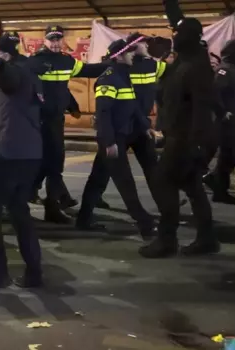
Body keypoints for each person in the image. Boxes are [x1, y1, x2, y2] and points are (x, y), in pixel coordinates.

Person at [139, 15, 217, 258]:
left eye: (178, 34)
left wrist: (196, 145)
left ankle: (167, 240)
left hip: (185, 139)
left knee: (163, 181)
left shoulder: (196, 66)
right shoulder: (184, 61)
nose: (174, 37)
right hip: (179, 135)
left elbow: (202, 109)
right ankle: (207, 239)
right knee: (193, 188)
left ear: (191, 38)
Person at [0, 35, 44, 293]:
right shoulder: (31, 71)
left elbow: (6, 78)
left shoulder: (12, 72)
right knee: (19, 213)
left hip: (10, 155)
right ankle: (34, 271)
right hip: (29, 154)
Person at [75, 39, 156, 239]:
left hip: (120, 134)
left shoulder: (123, 75)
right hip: (112, 138)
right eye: (128, 53)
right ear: (118, 56)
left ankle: (83, 219)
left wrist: (145, 127)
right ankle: (144, 222)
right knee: (124, 181)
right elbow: (103, 112)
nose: (132, 56)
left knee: (98, 179)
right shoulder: (109, 78)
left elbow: (134, 105)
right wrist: (109, 142)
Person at [28, 25, 108, 223]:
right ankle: (52, 205)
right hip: (39, 120)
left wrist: (111, 63)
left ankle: (45, 198)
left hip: (56, 119)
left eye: (58, 39)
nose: (55, 43)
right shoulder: (35, 62)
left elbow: (86, 71)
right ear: (44, 41)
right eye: (52, 39)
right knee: (52, 163)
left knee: (50, 163)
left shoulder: (66, 61)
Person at [203, 38, 235, 205]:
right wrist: (223, 113)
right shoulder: (224, 71)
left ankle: (215, 181)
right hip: (226, 122)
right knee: (231, 153)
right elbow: (215, 93)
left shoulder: (233, 69)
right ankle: (218, 187)